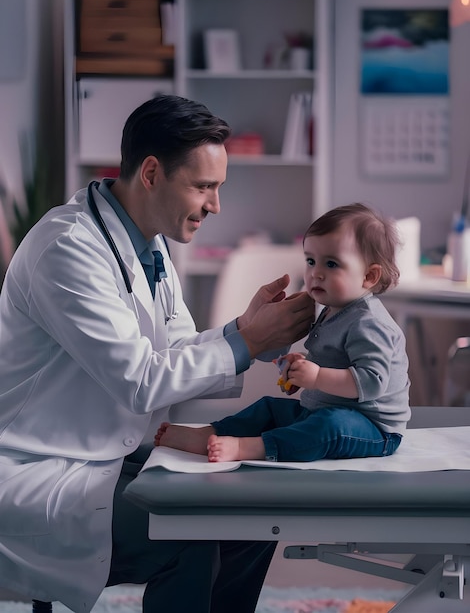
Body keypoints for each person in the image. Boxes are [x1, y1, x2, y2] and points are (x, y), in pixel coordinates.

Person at [0, 94, 316, 613]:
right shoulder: (67, 248)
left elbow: (171, 355)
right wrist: (247, 342)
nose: (215, 205)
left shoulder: (150, 245)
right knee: (188, 537)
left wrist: (246, 331)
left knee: (254, 517)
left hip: (109, 452)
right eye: (204, 186)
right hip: (41, 464)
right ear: (151, 173)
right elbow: (141, 380)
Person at [156, 202, 411, 463]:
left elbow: (371, 381)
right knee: (269, 408)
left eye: (331, 264)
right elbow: (332, 359)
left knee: (328, 427)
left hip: (372, 428)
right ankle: (211, 434)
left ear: (368, 276)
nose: (316, 274)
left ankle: (251, 448)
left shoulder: (369, 322)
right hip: (323, 408)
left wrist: (317, 376)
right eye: (311, 261)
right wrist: (300, 366)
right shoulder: (332, 309)